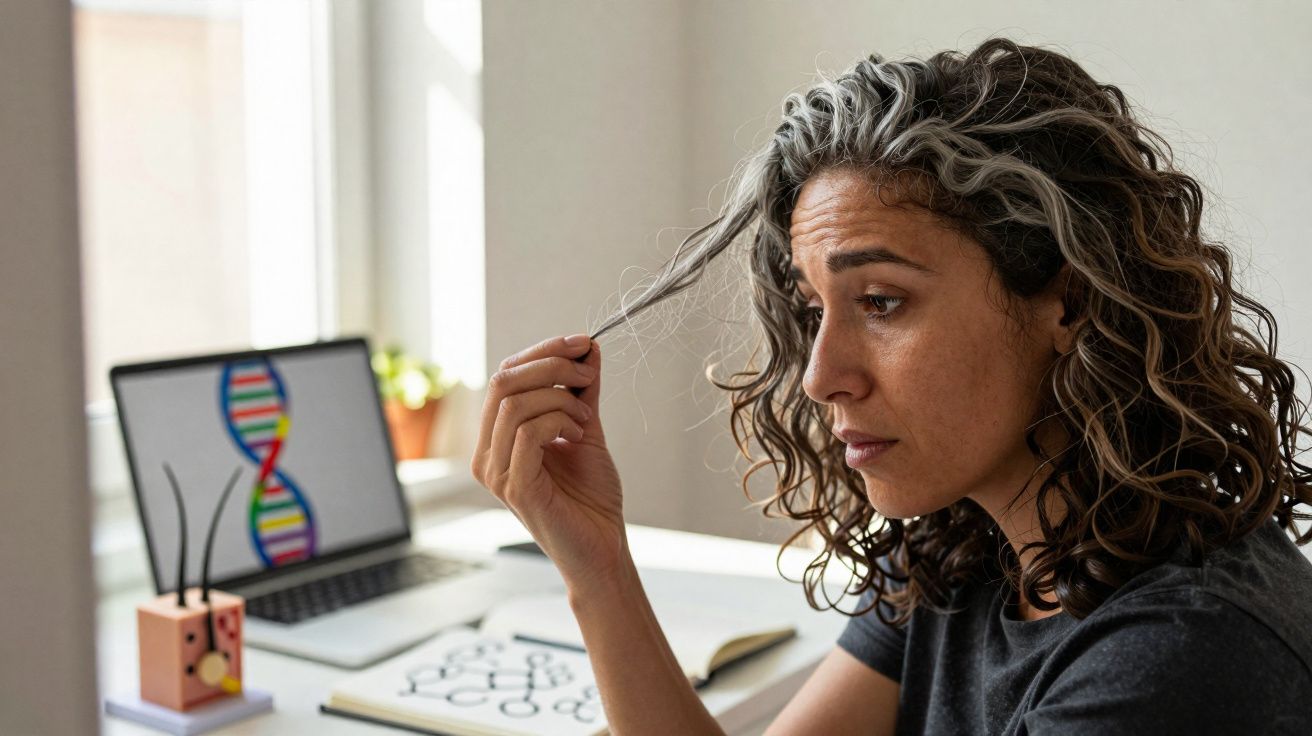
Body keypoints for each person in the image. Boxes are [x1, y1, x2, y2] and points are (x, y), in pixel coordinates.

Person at [471, 37, 1312, 735]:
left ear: (1070, 300)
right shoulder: (964, 546)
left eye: (881, 302)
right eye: (814, 308)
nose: (822, 375)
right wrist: (596, 565)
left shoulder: (1177, 658)